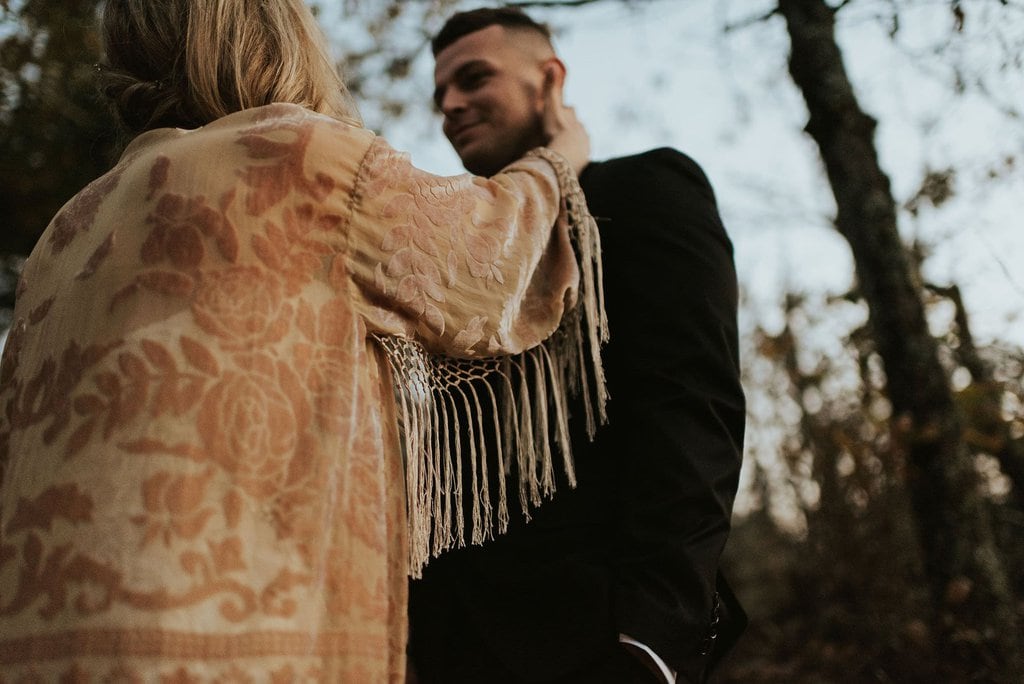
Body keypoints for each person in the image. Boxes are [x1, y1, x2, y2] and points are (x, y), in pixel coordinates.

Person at [0, 1, 604, 680]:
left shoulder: (67, 229)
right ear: (280, 41)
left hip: (43, 639)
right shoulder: (302, 156)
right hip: (227, 637)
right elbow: (483, 262)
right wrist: (558, 160)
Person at [408, 7, 747, 684]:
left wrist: (653, 644)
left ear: (548, 79)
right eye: (439, 92)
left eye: (474, 78)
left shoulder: (643, 189)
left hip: (595, 642)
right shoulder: (445, 252)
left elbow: (690, 408)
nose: (450, 104)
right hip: (452, 649)